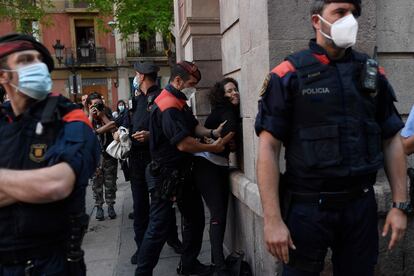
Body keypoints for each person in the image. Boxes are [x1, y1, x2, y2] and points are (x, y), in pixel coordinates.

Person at [255, 1, 408, 275]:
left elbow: (392, 139)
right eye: (340, 12)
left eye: (353, 13)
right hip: (307, 208)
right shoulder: (288, 75)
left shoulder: (372, 73)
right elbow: (268, 147)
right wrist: (272, 219)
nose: (350, 20)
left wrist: (399, 205)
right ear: (317, 20)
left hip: (360, 205)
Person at [0, 33, 100, 275]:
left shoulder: (70, 118)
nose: (37, 66)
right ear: (4, 75)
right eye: (25, 60)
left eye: (39, 61)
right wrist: (27, 185)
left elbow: (55, 185)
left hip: (52, 264)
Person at [134, 61, 228, 276]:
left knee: (194, 219)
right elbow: (183, 143)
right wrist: (211, 146)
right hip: (165, 175)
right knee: (159, 226)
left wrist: (212, 132)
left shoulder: (178, 100)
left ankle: (189, 264)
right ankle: (142, 272)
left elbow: (193, 125)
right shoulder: (167, 104)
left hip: (182, 173)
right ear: (178, 80)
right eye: (191, 83)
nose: (193, 87)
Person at [129, 62, 183, 265]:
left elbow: (171, 129)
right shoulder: (136, 100)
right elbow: (128, 122)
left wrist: (151, 135)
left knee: (163, 204)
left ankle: (173, 239)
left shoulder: (162, 98)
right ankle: (140, 247)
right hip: (136, 159)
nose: (135, 77)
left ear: (141, 76)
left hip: (155, 159)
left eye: (136, 74)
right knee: (140, 205)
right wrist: (121, 132)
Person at [193, 77, 240, 275]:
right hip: (208, 167)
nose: (234, 93)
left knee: (218, 215)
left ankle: (217, 262)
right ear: (222, 95)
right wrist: (229, 141)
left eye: (235, 89)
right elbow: (225, 137)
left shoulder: (224, 111)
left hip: (216, 166)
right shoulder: (227, 112)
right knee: (218, 215)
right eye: (229, 91)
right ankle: (219, 268)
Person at [87, 92, 119, 221]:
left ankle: (110, 206)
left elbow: (113, 127)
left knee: (110, 183)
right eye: (94, 105)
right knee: (96, 184)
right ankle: (99, 207)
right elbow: (86, 133)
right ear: (89, 106)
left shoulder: (108, 115)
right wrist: (90, 116)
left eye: (99, 104)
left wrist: (102, 115)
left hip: (109, 155)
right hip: (94, 157)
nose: (97, 107)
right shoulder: (87, 118)